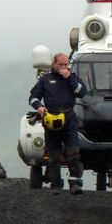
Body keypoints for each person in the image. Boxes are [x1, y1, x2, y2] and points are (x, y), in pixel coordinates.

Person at [28, 53, 87, 195]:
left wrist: (69, 78)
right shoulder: (45, 79)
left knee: (73, 152)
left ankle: (75, 184)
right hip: (50, 120)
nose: (64, 67)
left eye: (66, 64)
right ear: (54, 64)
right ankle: (56, 186)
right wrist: (39, 107)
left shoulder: (72, 78)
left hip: (69, 119)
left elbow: (82, 92)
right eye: (61, 64)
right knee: (53, 155)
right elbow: (33, 98)